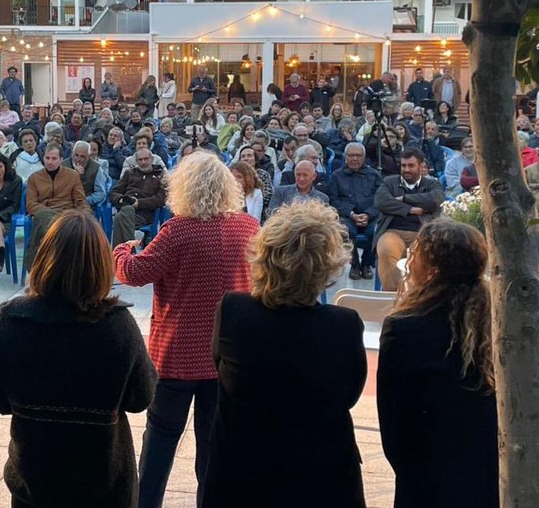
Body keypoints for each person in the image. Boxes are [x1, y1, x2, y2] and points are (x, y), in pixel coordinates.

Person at [113, 150, 259, 508]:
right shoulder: (249, 228)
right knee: (213, 446)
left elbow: (134, 273)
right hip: (227, 356)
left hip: (177, 355)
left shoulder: (178, 230)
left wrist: (120, 250)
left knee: (160, 439)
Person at [0, 211, 155, 508]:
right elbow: (141, 397)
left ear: (45, 257)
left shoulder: (8, 319)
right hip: (103, 479)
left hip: (33, 477)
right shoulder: (117, 325)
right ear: (101, 265)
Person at [204, 200, 366, 508]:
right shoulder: (343, 326)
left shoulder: (234, 311)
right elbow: (349, 394)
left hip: (242, 472)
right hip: (321, 475)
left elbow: (220, 367)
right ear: (325, 266)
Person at [378, 220, 497, 508]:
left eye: (416, 252)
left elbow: (394, 423)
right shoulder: (498, 324)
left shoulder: (404, 329)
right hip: (487, 469)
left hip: (425, 473)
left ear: (432, 271)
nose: (410, 258)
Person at [374, 149, 445, 291]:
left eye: (411, 165)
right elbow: (381, 202)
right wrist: (411, 209)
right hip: (393, 231)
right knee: (386, 249)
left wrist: (405, 198)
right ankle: (393, 296)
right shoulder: (389, 182)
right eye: (403, 165)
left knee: (424, 254)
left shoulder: (432, 184)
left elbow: (435, 200)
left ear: (421, 166)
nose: (406, 169)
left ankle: (415, 297)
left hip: (422, 232)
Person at [328, 142, 383, 280]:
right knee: (346, 230)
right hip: (347, 216)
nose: (354, 159)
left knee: (376, 231)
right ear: (345, 157)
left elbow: (381, 199)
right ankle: (355, 264)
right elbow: (334, 200)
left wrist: (368, 214)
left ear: (364, 157)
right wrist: (351, 214)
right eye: (351, 155)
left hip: (370, 215)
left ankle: (366, 264)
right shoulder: (336, 175)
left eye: (358, 155)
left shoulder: (374, 174)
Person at [26, 144, 86, 266]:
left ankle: (55, 262)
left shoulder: (72, 176)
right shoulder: (34, 178)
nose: (50, 162)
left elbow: (80, 200)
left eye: (54, 158)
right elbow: (31, 204)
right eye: (47, 158)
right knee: (43, 217)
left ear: (61, 159)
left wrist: (86, 215)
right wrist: (50, 214)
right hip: (44, 214)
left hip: (66, 213)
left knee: (80, 224)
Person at [109, 148, 167, 244]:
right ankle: (128, 253)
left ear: (152, 159)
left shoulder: (160, 175)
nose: (143, 162)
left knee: (119, 218)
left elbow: (161, 198)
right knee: (126, 211)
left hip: (145, 214)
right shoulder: (129, 173)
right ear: (136, 161)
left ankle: (120, 253)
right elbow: (113, 193)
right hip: (126, 209)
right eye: (140, 160)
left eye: (146, 159)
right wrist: (122, 199)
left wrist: (139, 203)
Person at [66, 139, 110, 209]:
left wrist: (85, 201)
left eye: (82, 156)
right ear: (72, 153)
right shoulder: (63, 165)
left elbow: (101, 193)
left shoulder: (96, 168)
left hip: (85, 204)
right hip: (64, 203)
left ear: (88, 157)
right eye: (76, 155)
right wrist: (74, 175)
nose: (78, 159)